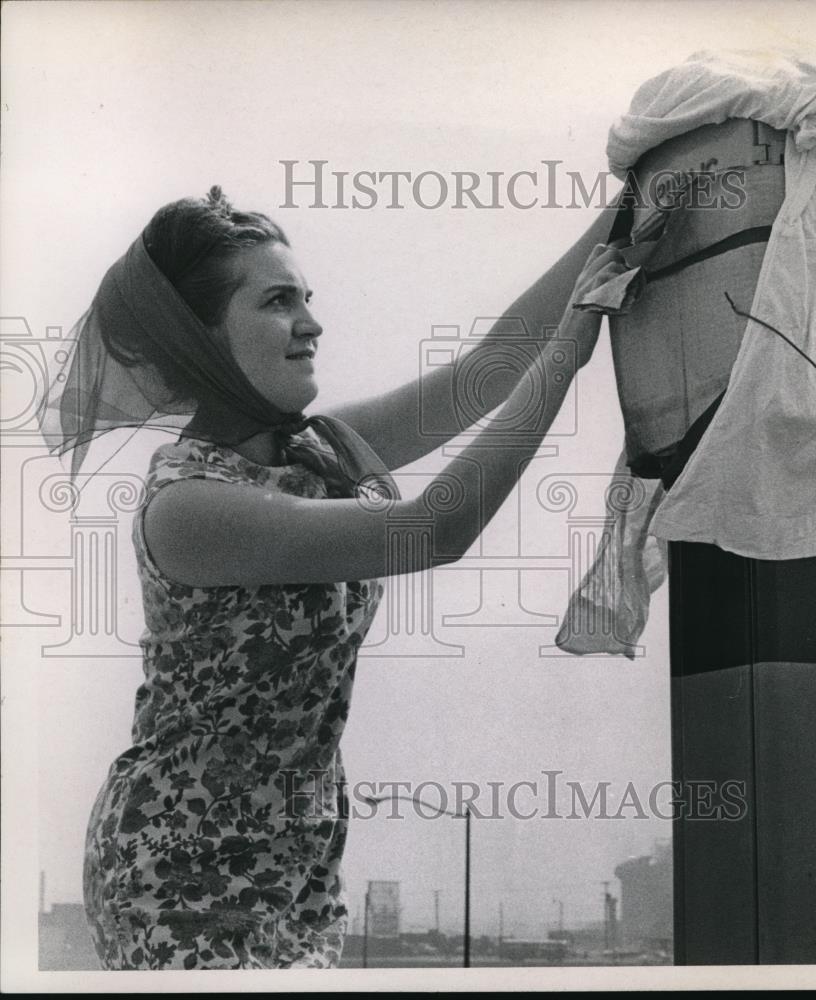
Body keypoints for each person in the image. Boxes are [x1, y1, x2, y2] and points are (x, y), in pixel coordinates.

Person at [58, 186, 623, 970]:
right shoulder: (187, 505)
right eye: (277, 301)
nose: (311, 323)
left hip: (299, 865)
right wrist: (574, 343)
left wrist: (630, 210)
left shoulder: (320, 450)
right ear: (201, 338)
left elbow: (487, 372)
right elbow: (436, 529)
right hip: (180, 872)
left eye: (306, 298)